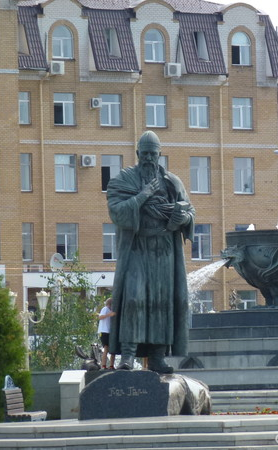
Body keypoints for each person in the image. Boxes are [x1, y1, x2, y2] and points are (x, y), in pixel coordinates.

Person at [107, 131, 195, 373]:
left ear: (159, 154)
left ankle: (157, 357)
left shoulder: (172, 182)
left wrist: (183, 218)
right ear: (137, 153)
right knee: (134, 299)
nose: (148, 158)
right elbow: (116, 211)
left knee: (162, 302)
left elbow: (190, 211)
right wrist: (143, 196)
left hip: (164, 251)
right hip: (137, 248)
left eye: (152, 154)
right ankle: (127, 356)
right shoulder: (124, 179)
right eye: (144, 153)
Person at [97, 298, 116, 369]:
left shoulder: (110, 311)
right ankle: (103, 365)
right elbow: (100, 317)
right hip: (104, 331)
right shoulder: (105, 309)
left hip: (109, 332)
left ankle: (111, 365)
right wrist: (109, 315)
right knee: (106, 348)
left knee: (112, 349)